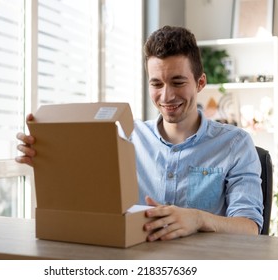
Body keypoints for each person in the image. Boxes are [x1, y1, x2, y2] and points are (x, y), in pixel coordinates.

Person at [16, 26, 263, 242]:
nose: (166, 96)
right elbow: (87, 194)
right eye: (156, 84)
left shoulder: (235, 144)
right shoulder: (125, 137)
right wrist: (49, 159)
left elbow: (249, 227)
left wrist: (197, 219)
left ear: (200, 83)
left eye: (177, 82)